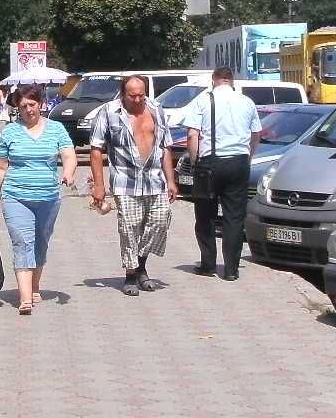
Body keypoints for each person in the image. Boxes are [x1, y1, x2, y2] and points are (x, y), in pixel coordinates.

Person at [0, 85, 76, 316]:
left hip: (48, 197)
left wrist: (68, 172)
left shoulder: (56, 129)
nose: (28, 110)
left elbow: (68, 154)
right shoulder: (9, 133)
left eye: (32, 105)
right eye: (23, 106)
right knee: (22, 242)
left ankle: (35, 285)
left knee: (40, 242)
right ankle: (25, 297)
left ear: (41, 105)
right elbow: (0, 167)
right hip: (16, 196)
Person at [88, 75, 177, 295]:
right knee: (129, 228)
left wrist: (171, 180)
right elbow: (96, 150)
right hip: (124, 180)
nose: (138, 100)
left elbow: (165, 146)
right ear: (123, 93)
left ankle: (141, 264)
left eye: (141, 95)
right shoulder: (108, 112)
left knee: (160, 221)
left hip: (154, 179)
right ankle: (131, 274)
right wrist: (99, 185)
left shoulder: (156, 109)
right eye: (133, 96)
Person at [185, 67, 261, 281]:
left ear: (214, 80)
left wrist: (194, 161)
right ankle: (231, 270)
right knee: (234, 217)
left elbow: (192, 134)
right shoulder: (246, 101)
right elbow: (256, 134)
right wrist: (248, 156)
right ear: (231, 81)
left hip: (210, 163)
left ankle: (208, 264)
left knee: (205, 215)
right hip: (238, 162)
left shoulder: (203, 100)